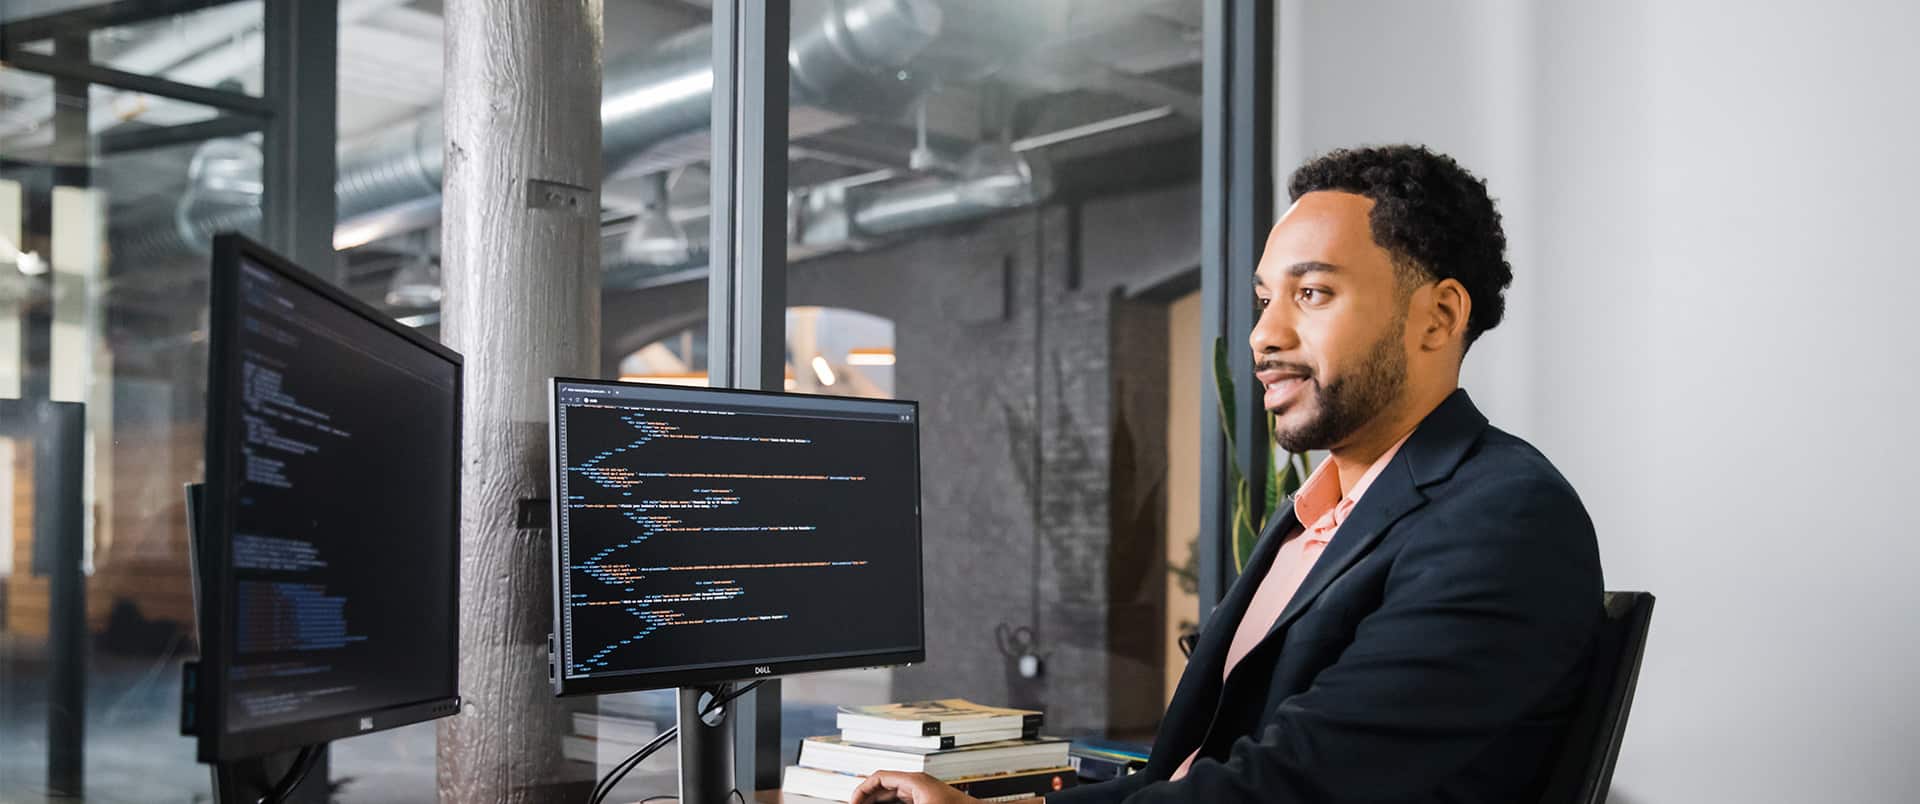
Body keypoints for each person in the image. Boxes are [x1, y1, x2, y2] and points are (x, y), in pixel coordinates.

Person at [852, 145, 1603, 804]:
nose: (1263, 335)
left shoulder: (1505, 519)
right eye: (1264, 298)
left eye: (1311, 293)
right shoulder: (1316, 515)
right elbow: (1183, 772)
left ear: (1438, 317)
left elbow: (1287, 788)